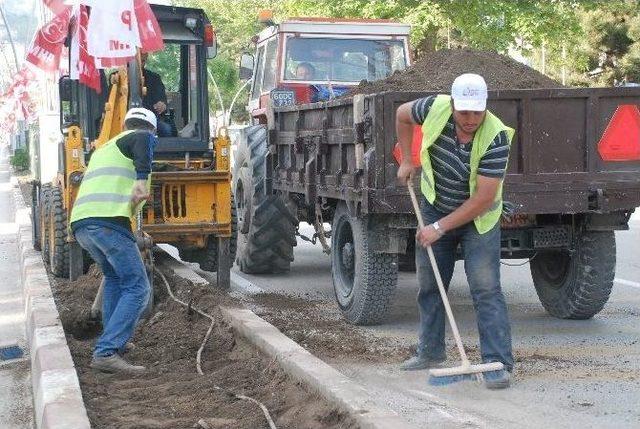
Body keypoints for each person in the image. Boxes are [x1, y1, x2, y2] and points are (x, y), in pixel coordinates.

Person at [395, 73, 515, 389]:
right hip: (436, 203)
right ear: (453, 104)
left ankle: (498, 363)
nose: (471, 119)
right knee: (430, 284)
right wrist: (407, 159)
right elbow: (401, 115)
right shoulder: (434, 108)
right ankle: (431, 352)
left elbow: (484, 197)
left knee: (486, 288)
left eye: (477, 112)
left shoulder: (496, 137)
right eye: (464, 112)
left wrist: (439, 227)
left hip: (479, 219)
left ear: (485, 107)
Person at [70, 107, 158, 374]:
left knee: (116, 279)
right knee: (138, 287)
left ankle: (112, 341)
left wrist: (134, 239)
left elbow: (111, 195)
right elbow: (143, 139)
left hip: (85, 225)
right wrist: (142, 180)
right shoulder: (141, 137)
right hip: (106, 224)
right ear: (150, 129)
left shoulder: (105, 148)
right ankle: (107, 351)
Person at [141, 53, 173, 137]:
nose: (140, 63)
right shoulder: (117, 78)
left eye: (142, 60)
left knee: (166, 129)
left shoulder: (154, 78)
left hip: (150, 120)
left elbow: (162, 99)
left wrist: (162, 104)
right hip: (122, 119)